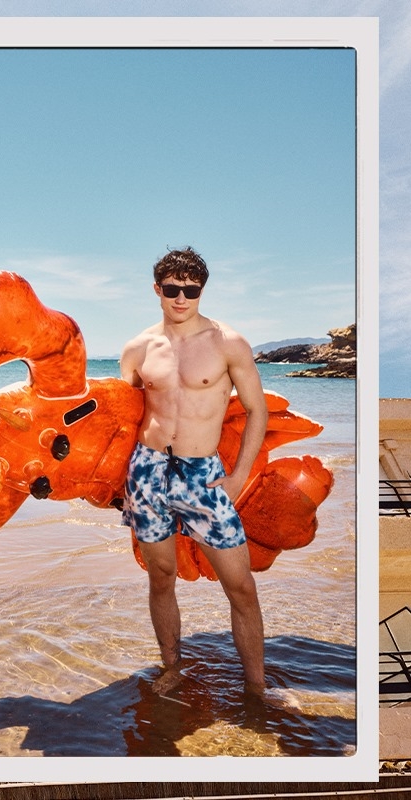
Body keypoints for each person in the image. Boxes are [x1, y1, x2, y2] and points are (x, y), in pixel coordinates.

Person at [118, 247, 270, 700]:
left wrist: (238, 477)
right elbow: (122, 420)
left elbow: (257, 411)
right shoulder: (138, 349)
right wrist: (113, 484)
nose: (181, 298)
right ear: (157, 289)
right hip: (147, 471)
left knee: (241, 586)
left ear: (202, 290)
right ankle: (173, 667)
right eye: (172, 289)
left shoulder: (228, 343)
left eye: (191, 290)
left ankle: (257, 687)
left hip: (203, 476)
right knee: (161, 576)